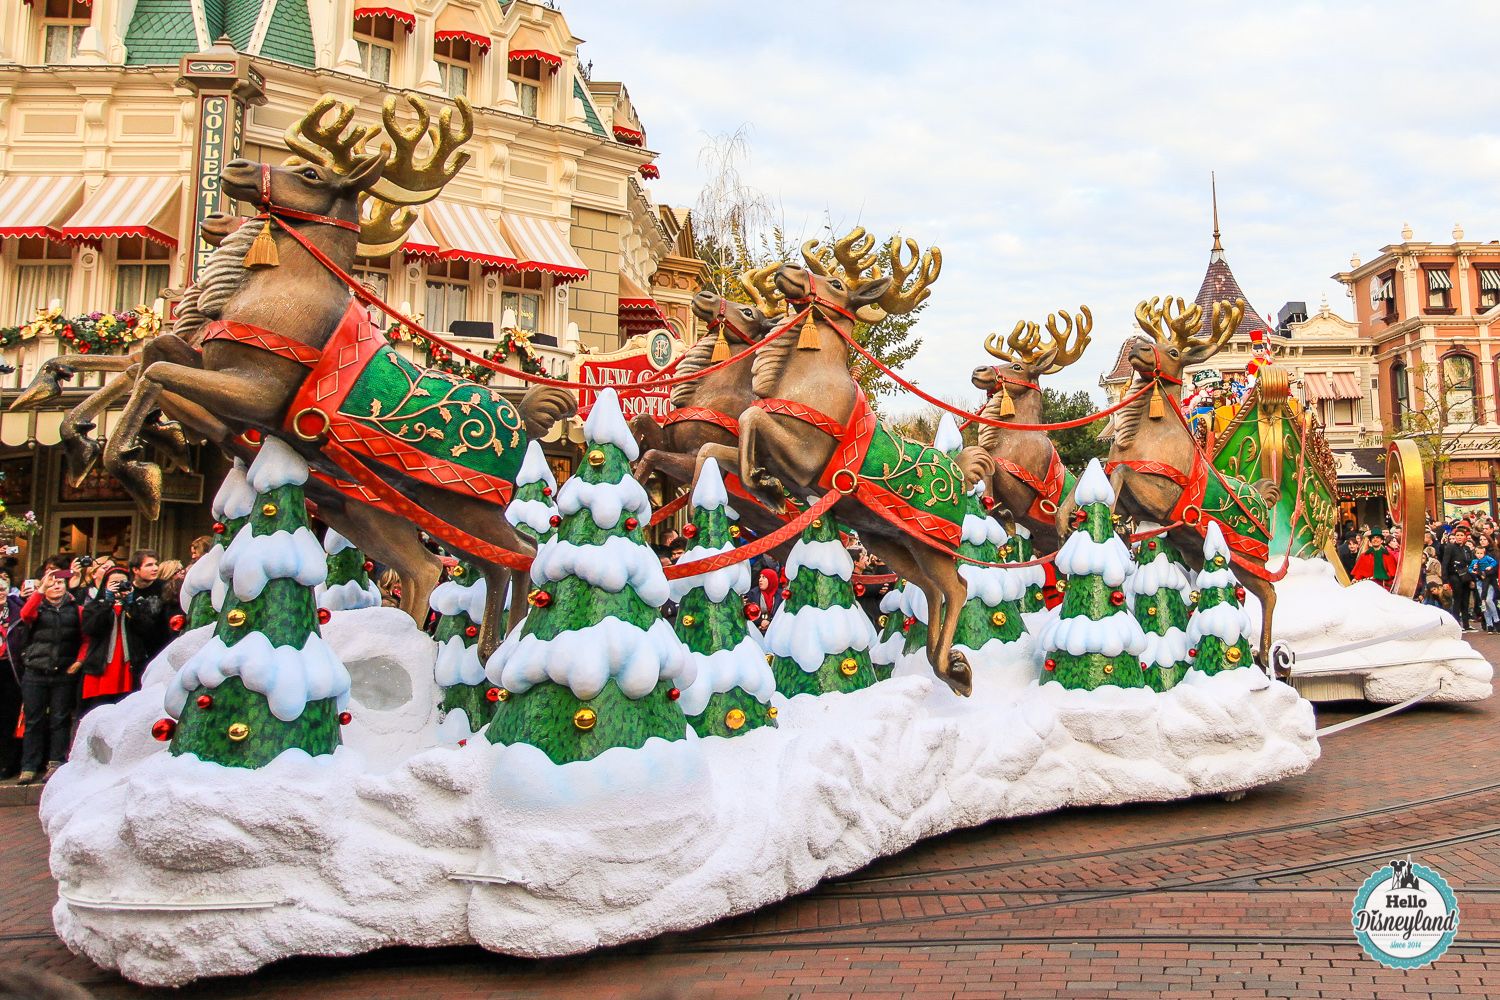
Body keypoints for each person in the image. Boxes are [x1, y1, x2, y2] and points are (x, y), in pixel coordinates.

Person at [9, 561, 90, 784]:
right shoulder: (38, 606)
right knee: (33, 720)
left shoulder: (77, 609)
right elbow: (26, 614)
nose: (56, 586)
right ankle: (29, 766)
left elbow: (86, 639)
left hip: (63, 672)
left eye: (60, 582)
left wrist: (79, 661)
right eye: (52, 583)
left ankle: (56, 762)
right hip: (35, 671)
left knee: (60, 719)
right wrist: (40, 590)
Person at [81, 566, 138, 712]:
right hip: (102, 664)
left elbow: (146, 629)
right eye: (114, 583)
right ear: (105, 585)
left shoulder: (136, 605)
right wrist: (107, 603)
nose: (119, 586)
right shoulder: (94, 606)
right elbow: (91, 629)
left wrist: (131, 604)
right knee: (99, 709)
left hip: (128, 663)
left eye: (123, 582)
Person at [122, 549, 174, 667]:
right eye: (149, 565)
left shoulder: (166, 587)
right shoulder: (127, 591)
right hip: (136, 651)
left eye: (156, 564)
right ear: (135, 570)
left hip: (161, 649)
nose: (155, 568)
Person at [0, 569, 23, 779]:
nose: (0, 592)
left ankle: (7, 764)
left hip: (10, 668)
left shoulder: (18, 609)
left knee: (8, 717)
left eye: (3, 588)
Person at [1437, 525, 1475, 628]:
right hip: (1454, 576)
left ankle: (1466, 624)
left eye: (1461, 535)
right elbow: (1445, 564)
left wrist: (1472, 579)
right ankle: (1457, 624)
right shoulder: (1450, 547)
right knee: (1457, 600)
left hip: (1466, 577)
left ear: (1465, 537)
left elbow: (1471, 564)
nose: (1459, 537)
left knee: (1465, 600)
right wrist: (1445, 581)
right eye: (1457, 535)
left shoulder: (1467, 549)